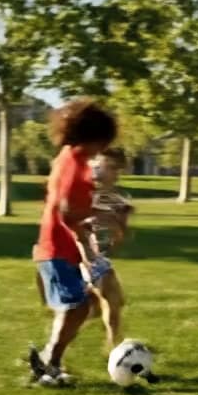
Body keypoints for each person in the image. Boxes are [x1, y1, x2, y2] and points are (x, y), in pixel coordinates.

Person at [27, 99, 118, 386]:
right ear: (95, 137)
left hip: (60, 249)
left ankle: (49, 361)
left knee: (84, 305)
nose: (103, 148)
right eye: (102, 142)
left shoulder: (67, 157)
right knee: (76, 307)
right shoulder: (74, 163)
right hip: (57, 250)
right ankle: (48, 364)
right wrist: (87, 237)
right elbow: (67, 210)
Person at [84, 148, 134, 352]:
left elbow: (121, 235)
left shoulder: (117, 198)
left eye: (118, 169)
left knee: (108, 303)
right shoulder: (84, 191)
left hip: (99, 256)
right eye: (110, 167)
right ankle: (115, 348)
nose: (115, 174)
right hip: (81, 255)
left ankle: (59, 339)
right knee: (112, 299)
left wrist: (120, 226)